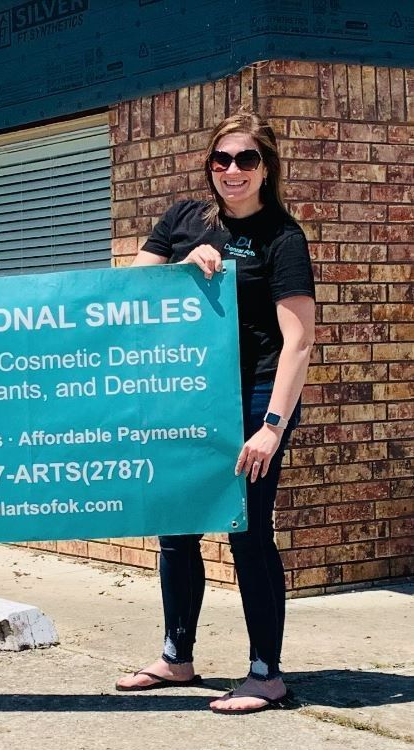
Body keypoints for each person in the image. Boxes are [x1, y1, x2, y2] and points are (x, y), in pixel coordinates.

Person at [114, 111, 315, 714]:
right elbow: (129, 292)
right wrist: (184, 265)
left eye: (245, 160)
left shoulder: (283, 237)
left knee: (248, 534)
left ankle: (266, 673)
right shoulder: (182, 219)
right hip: (187, 396)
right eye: (221, 160)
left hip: (254, 399)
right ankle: (178, 658)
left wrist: (272, 427)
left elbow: (298, 340)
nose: (231, 171)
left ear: (266, 168)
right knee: (177, 533)